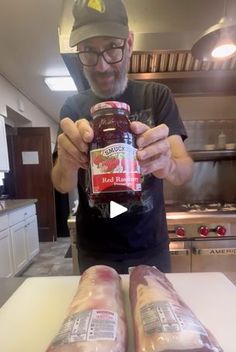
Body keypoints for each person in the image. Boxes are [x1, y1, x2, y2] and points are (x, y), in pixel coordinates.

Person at [52, 0, 193, 274]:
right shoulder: (72, 107)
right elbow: (60, 183)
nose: (102, 66)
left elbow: (184, 169)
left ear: (129, 43)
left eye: (112, 48)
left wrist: (169, 165)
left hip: (151, 247)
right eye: (88, 52)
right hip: (95, 249)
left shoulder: (157, 96)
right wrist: (67, 164)